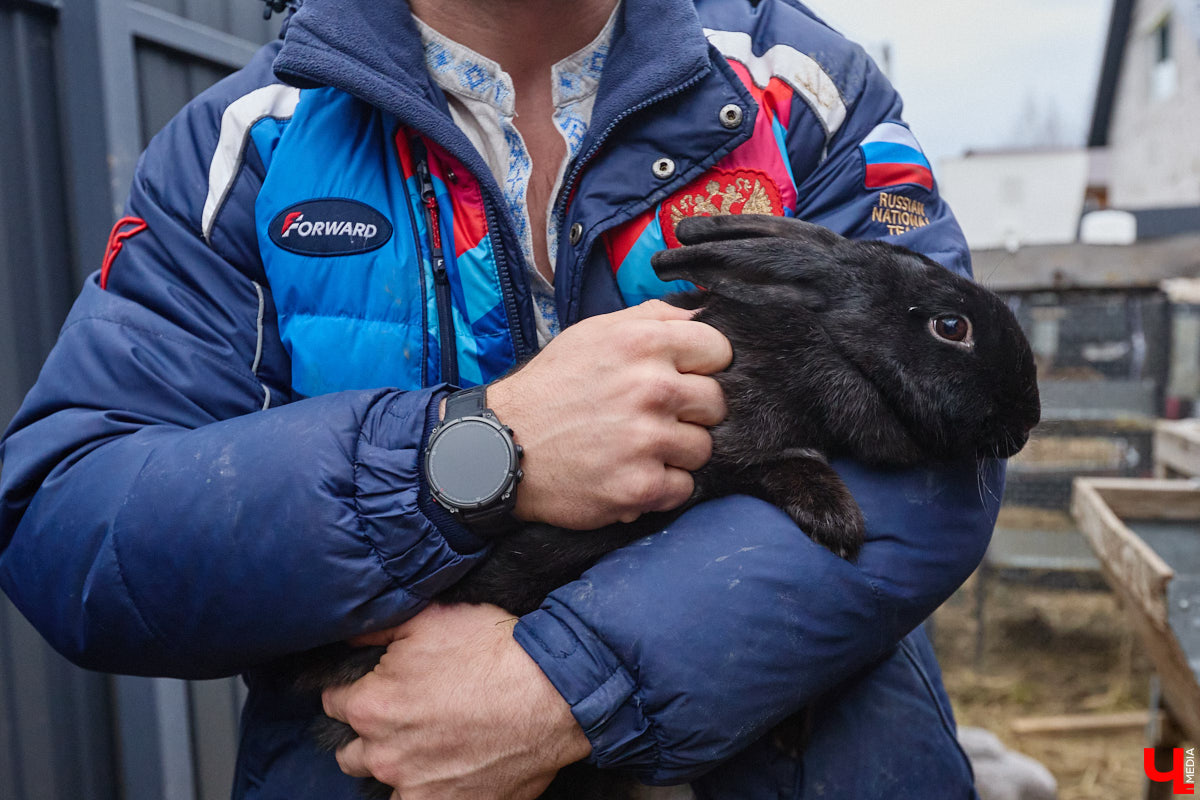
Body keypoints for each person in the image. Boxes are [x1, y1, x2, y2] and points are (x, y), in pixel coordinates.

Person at [0, 0, 1000, 797]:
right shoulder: (246, 143)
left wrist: (565, 681)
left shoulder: (806, 93)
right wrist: (478, 451)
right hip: (386, 763)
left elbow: (956, 435)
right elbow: (73, 522)